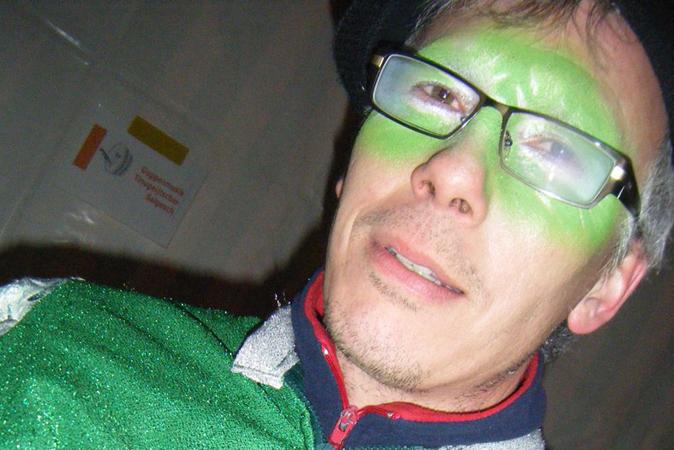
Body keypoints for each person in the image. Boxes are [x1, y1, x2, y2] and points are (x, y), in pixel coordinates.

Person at [1, 0, 672, 448]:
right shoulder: (48, 344)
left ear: (607, 285)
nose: (453, 170)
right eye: (437, 91)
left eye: (556, 151)